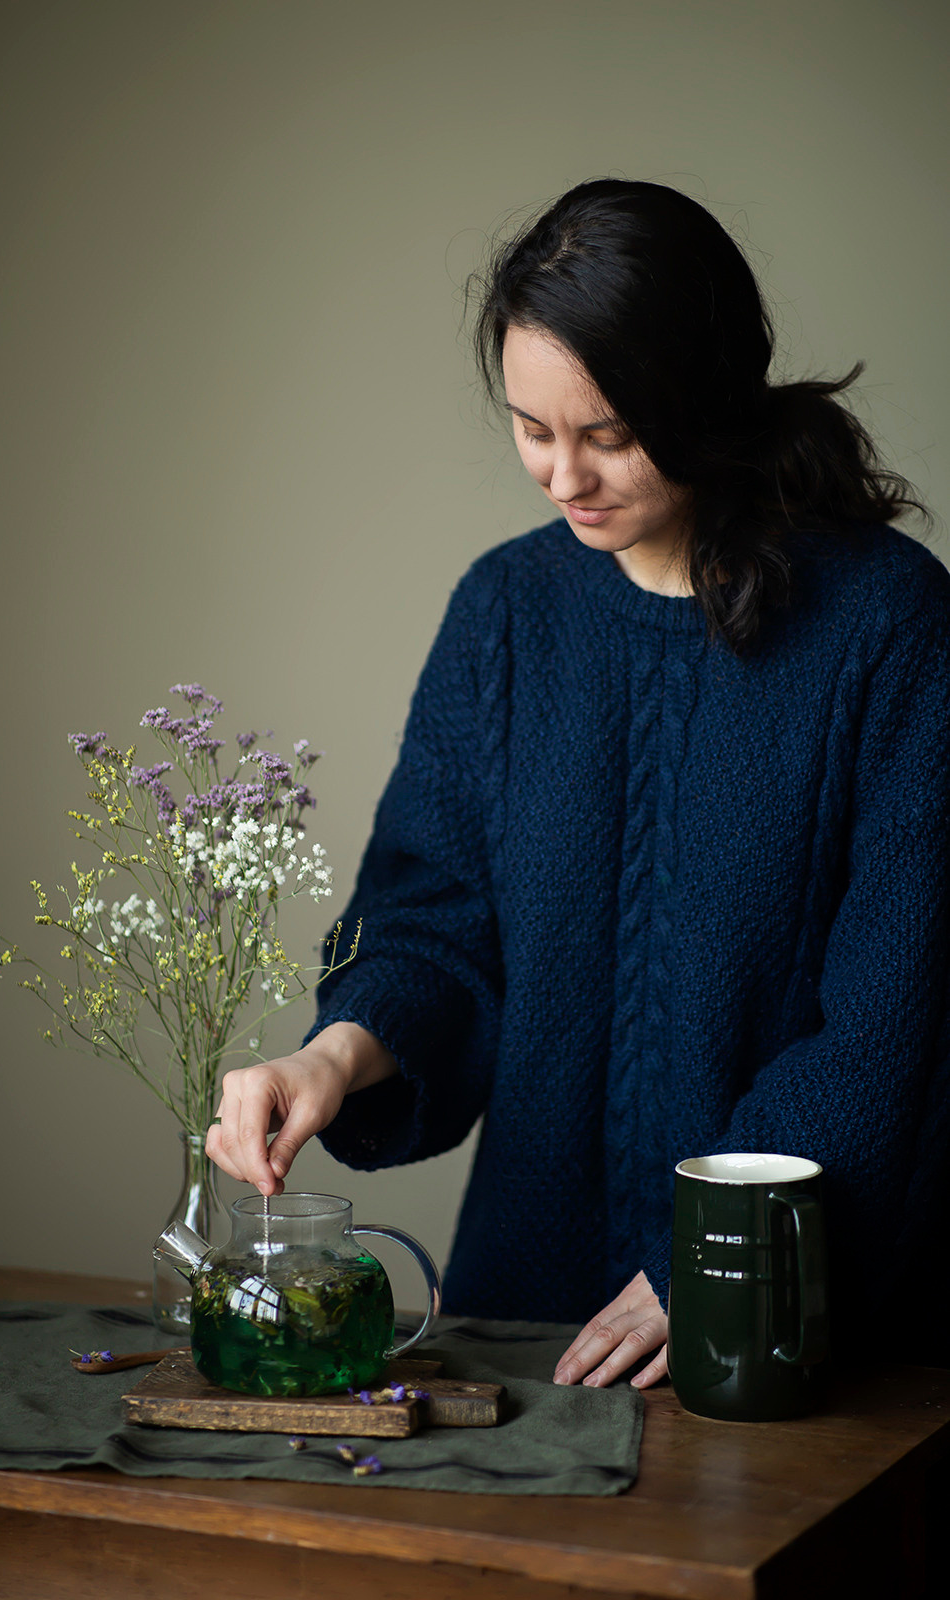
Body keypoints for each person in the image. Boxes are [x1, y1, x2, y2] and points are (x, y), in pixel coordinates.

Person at [206, 179, 950, 1387]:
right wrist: (330, 1058)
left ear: (707, 395)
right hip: (523, 1332)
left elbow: (888, 1028)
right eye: (531, 429)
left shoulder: (889, 627)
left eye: (607, 434)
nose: (562, 478)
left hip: (785, 1334)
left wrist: (706, 1257)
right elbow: (429, 921)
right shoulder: (504, 613)